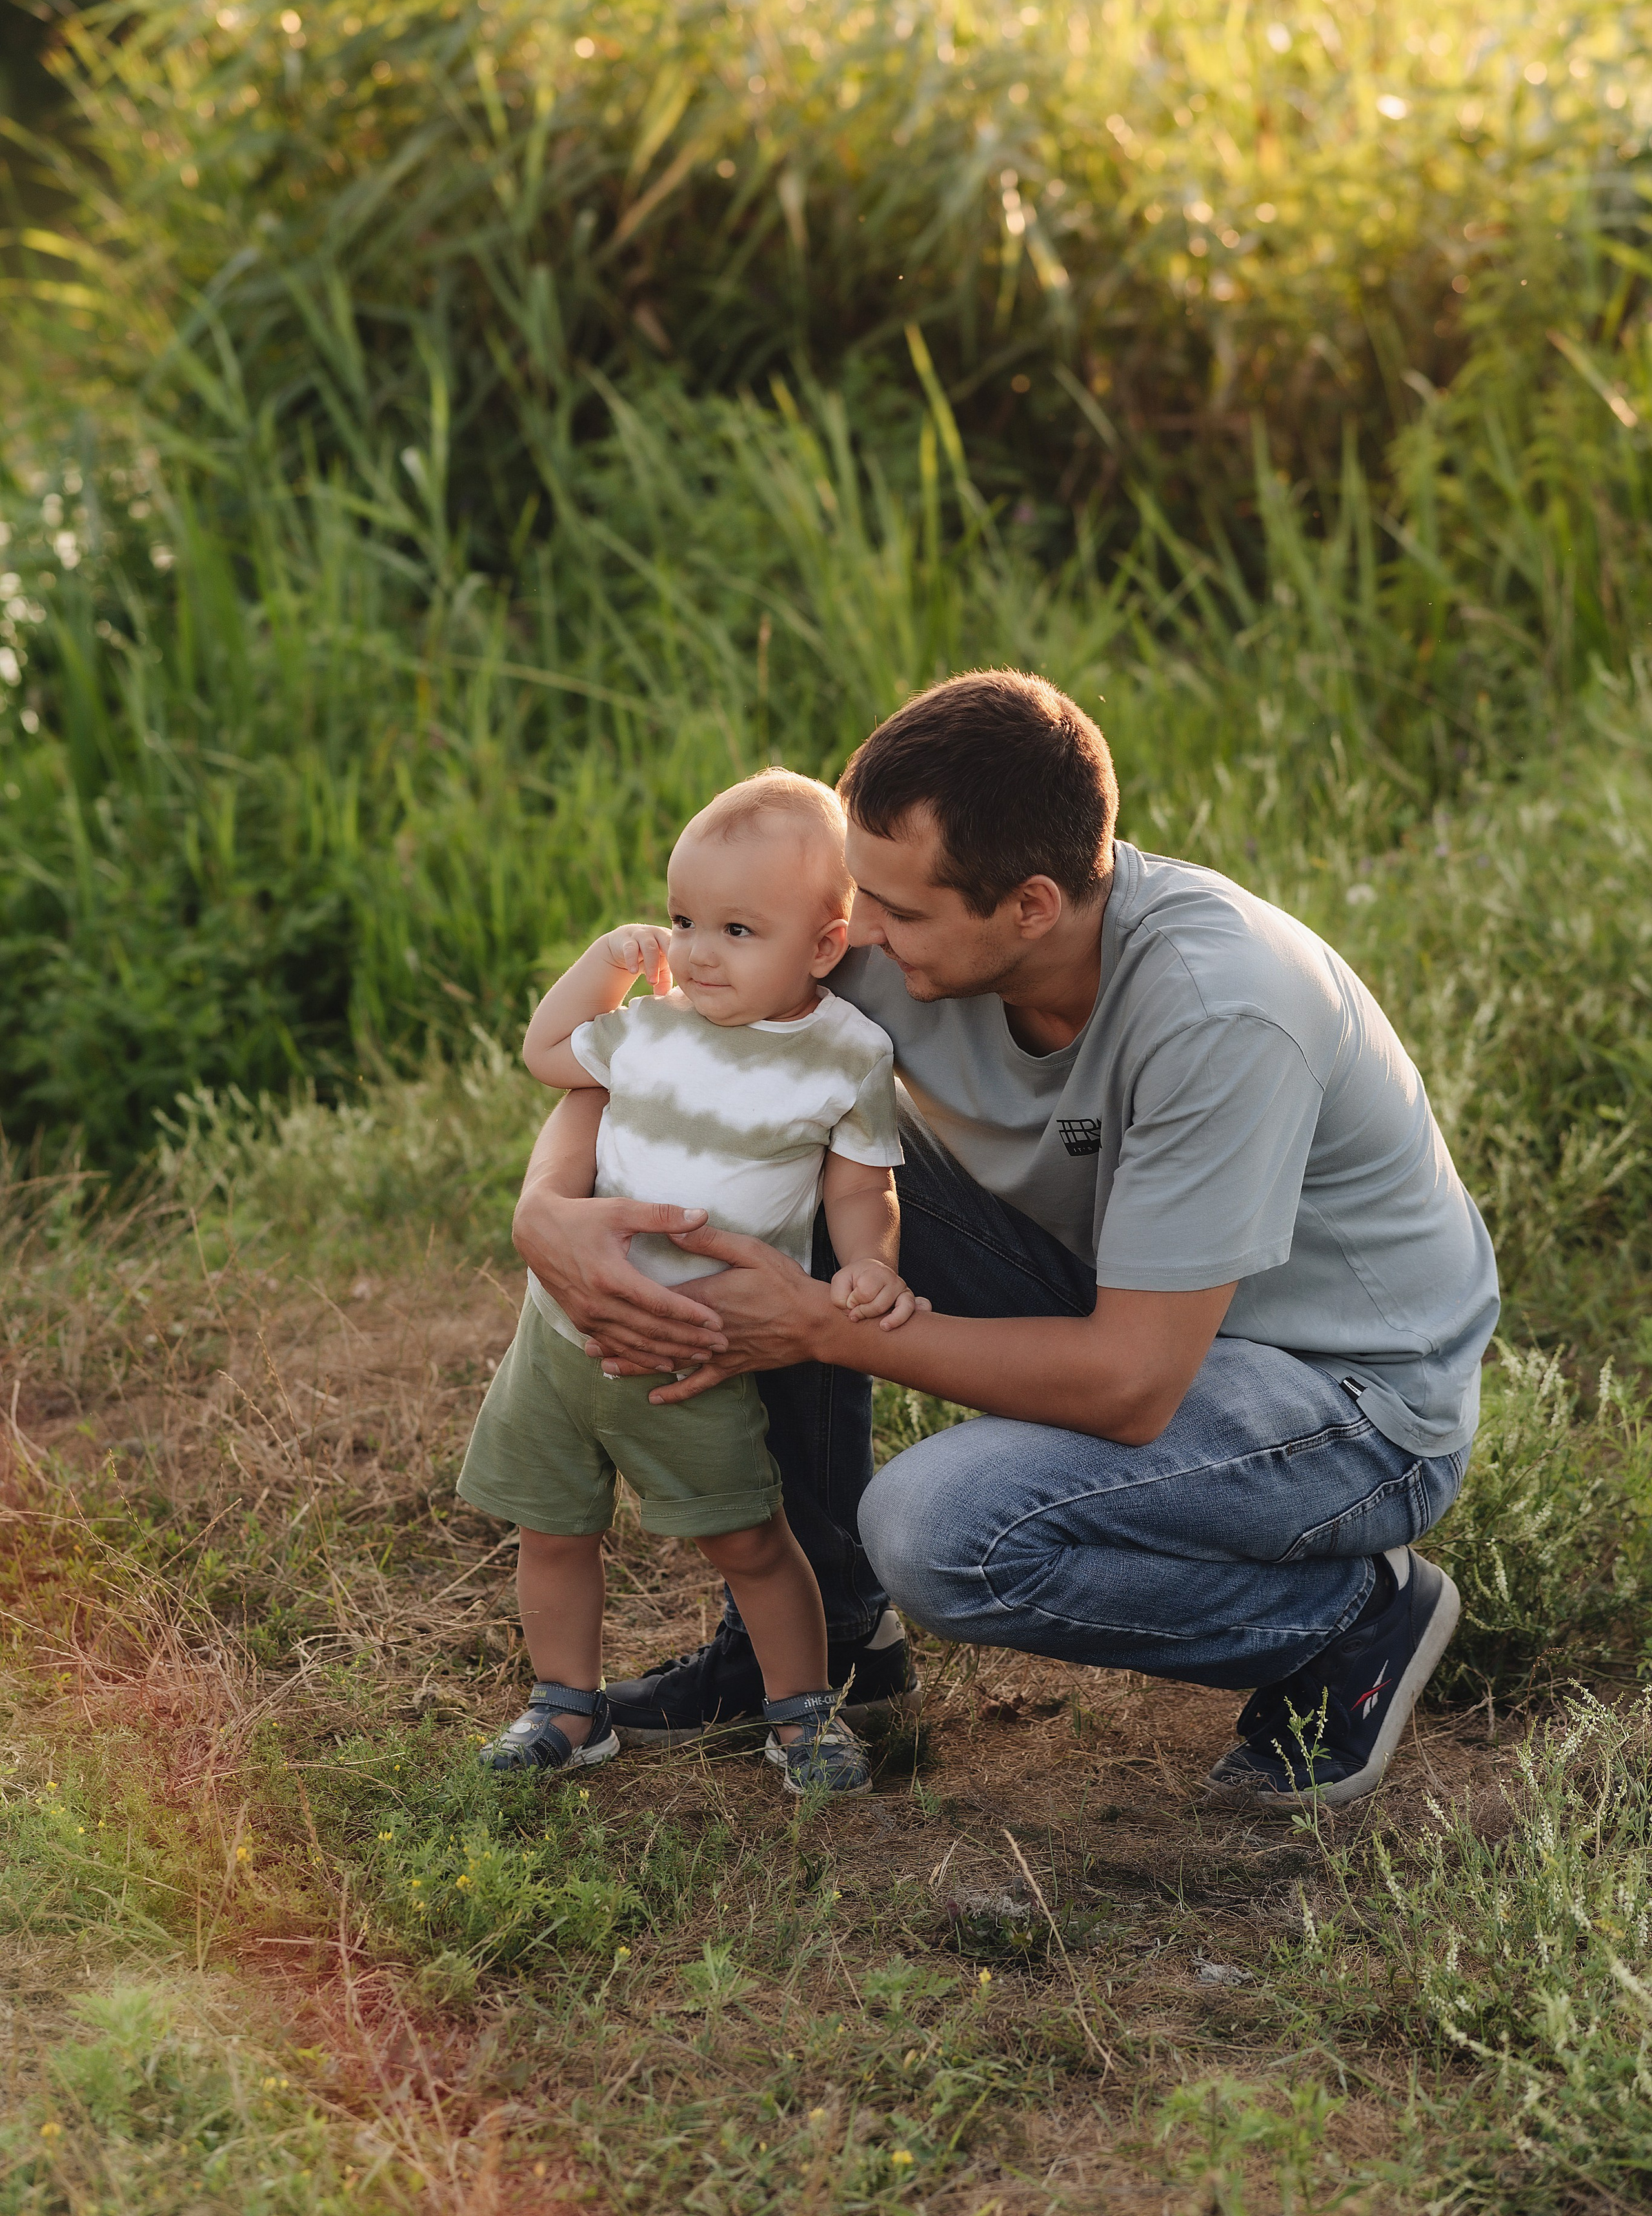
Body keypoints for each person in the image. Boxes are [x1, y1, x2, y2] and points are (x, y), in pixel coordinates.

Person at [515, 673, 1499, 1812]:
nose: (858, 934)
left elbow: (1131, 1383)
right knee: (790, 1190)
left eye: (896, 913)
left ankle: (1349, 1620)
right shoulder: (888, 924)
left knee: (939, 1532)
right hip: (1120, 1284)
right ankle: (828, 1638)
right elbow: (672, 1040)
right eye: (858, 897)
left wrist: (823, 1325)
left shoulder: (1222, 1008)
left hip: (1346, 1396)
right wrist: (545, 1208)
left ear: (1030, 905)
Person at [457, 769, 919, 1799]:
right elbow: (546, 1053)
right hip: (563, 1336)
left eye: (738, 930)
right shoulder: (651, 1026)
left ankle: (800, 1712)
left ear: (824, 945)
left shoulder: (846, 1055)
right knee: (554, 1525)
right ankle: (566, 1705)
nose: (699, 950)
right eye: (683, 920)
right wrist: (602, 966)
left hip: (694, 1349)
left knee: (750, 1535)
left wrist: (869, 1265)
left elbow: (860, 1187)